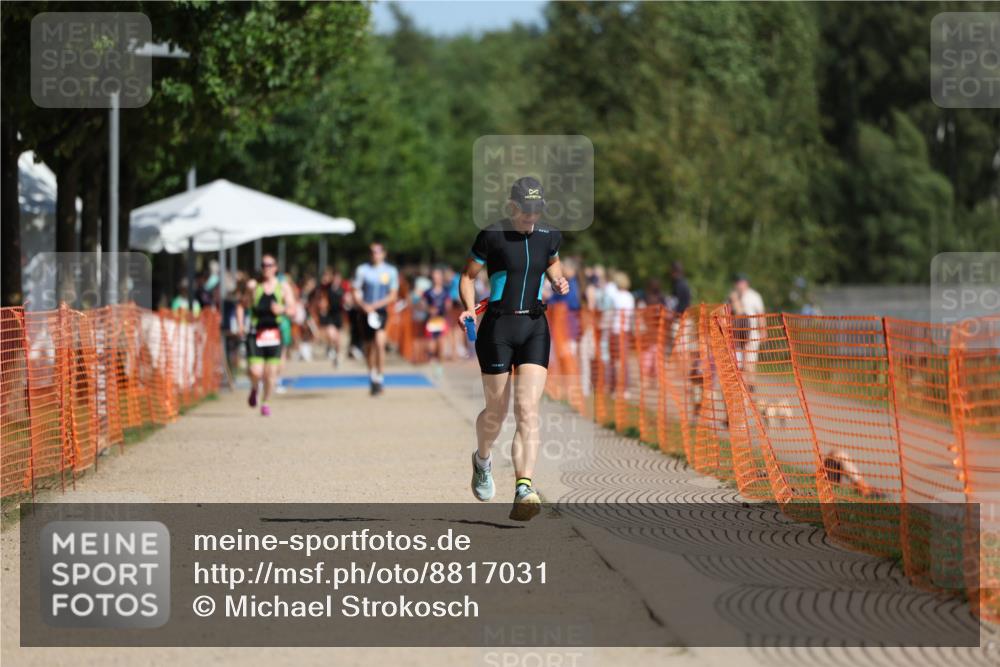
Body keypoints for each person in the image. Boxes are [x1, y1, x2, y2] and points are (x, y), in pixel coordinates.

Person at [457, 176, 569, 521]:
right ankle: (482, 459)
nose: (531, 217)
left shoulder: (549, 236)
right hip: (498, 328)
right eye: (526, 211)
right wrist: (467, 306)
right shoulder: (492, 236)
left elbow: (552, 261)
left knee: (527, 409)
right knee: (496, 411)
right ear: (512, 207)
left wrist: (558, 279)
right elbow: (467, 276)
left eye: (537, 211)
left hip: (534, 327)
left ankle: (524, 487)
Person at [236, 254, 295, 416]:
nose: (266, 268)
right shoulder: (254, 286)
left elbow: (293, 310)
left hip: (274, 334)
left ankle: (266, 402)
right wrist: (241, 325)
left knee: (270, 373)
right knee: (255, 371)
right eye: (263, 265)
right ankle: (255, 388)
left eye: (270, 265)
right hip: (256, 333)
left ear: (276, 267)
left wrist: (282, 310)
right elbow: (241, 306)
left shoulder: (283, 287)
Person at [353, 242, 399, 396]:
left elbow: (392, 295)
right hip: (365, 312)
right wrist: (363, 305)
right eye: (372, 252)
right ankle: (371, 374)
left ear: (384, 254)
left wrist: (376, 305)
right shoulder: (362, 270)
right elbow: (356, 290)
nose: (375, 254)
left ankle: (380, 378)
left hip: (380, 312)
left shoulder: (390, 271)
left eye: (378, 252)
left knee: (380, 343)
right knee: (368, 346)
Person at [422, 267, 452, 372]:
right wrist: (429, 309)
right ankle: (431, 362)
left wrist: (446, 307)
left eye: (438, 277)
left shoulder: (445, 291)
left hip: (441, 320)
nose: (436, 279)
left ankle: (440, 366)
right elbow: (423, 304)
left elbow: (449, 305)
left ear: (441, 278)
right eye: (434, 277)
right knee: (431, 345)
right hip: (431, 321)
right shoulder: (428, 292)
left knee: (441, 343)